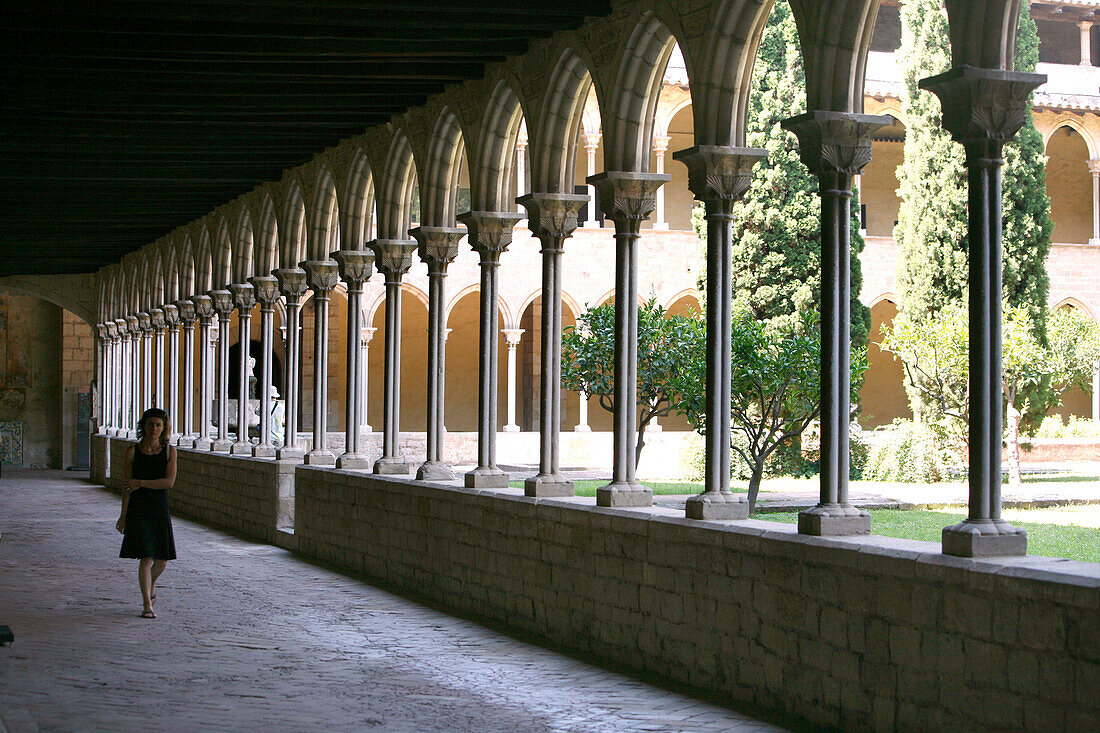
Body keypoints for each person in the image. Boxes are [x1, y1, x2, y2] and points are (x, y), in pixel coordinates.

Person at [116, 407, 177, 618]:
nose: (154, 428)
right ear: (144, 426)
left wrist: (140, 482)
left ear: (164, 428)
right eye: (150, 424)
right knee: (146, 558)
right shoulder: (132, 452)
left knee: (162, 561)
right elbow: (126, 487)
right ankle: (147, 605)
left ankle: (151, 586)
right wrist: (123, 514)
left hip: (159, 508)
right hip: (139, 508)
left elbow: (168, 482)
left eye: (158, 425)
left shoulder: (170, 451)